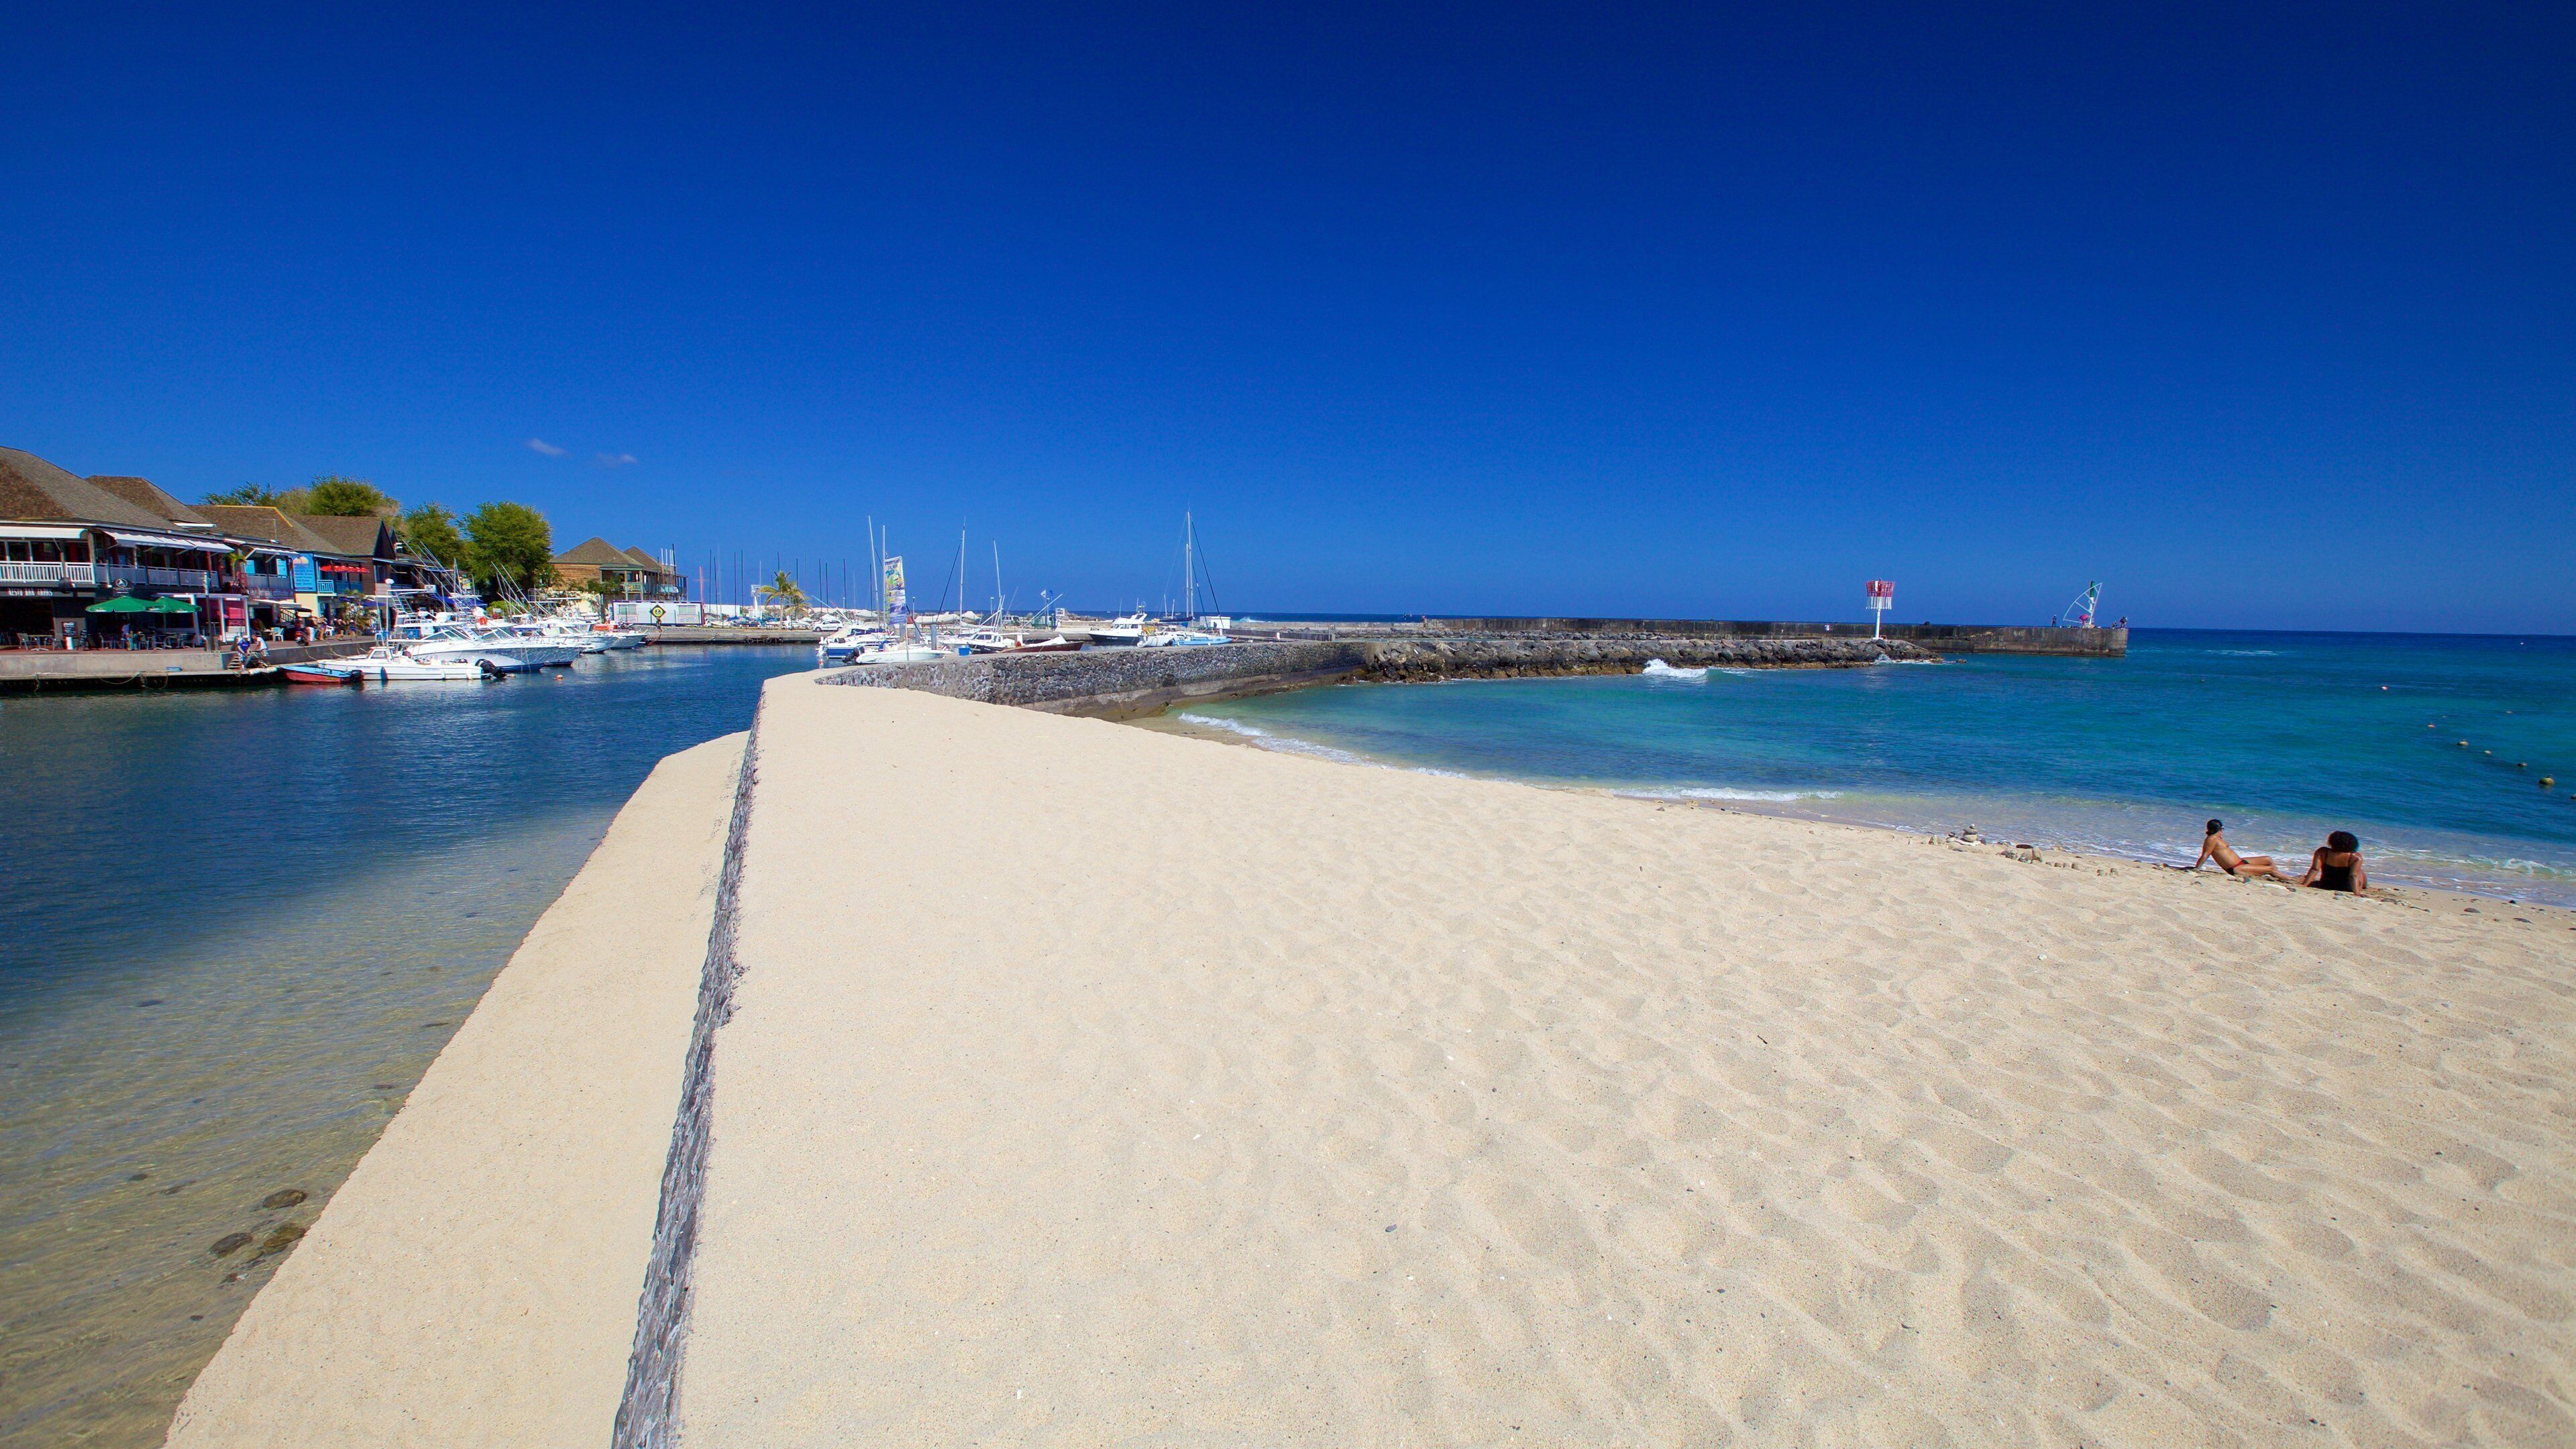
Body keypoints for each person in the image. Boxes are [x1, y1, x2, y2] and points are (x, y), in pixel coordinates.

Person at [2193, 819, 2296, 882]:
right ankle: (2290, 880)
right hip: (2237, 868)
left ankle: (2280, 876)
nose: (2223, 831)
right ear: (2219, 829)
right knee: (2270, 869)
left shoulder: (2216, 838)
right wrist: (2197, 869)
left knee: (2268, 859)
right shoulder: (2212, 839)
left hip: (2240, 862)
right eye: (2222, 829)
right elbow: (2205, 855)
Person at [2302, 831, 2368, 894]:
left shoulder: (2323, 852)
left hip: (2326, 885)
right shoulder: (2355, 857)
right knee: (2359, 871)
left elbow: (2315, 869)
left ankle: (2364, 885)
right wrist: (2357, 893)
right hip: (2347, 888)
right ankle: (2365, 885)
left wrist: (2304, 885)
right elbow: (2353, 875)